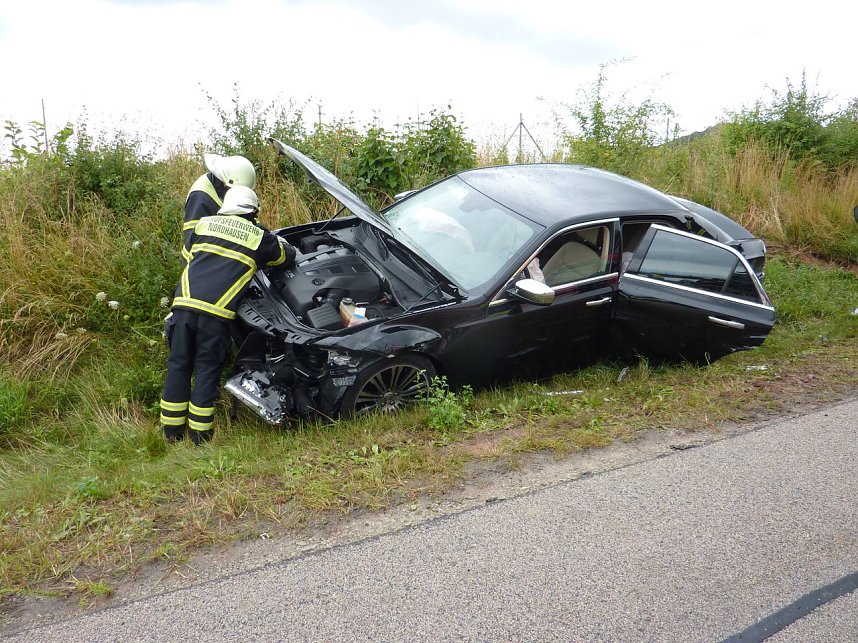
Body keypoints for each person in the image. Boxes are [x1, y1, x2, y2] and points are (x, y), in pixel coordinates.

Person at [160, 185, 296, 444]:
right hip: (215, 316)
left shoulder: (203, 224)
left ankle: (171, 434)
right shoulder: (257, 236)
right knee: (206, 369)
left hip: (183, 307)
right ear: (253, 211)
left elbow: (190, 257)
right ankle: (200, 436)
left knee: (178, 365)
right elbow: (284, 258)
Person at [181, 154, 257, 267]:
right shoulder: (200, 198)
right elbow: (193, 240)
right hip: (200, 263)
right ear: (227, 182)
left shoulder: (220, 184)